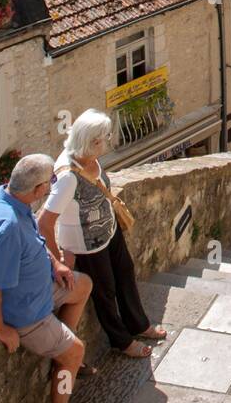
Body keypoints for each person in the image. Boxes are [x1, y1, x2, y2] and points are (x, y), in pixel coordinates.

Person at [0, 153, 96, 403]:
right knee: (75, 353)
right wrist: (0, 329)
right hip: (25, 313)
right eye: (51, 181)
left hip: (40, 288)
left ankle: (61, 351)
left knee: (83, 285)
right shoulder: (6, 227)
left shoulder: (8, 198)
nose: (52, 186)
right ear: (38, 189)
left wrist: (55, 264)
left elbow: (36, 238)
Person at [40, 109, 166, 359]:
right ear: (92, 141)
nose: (108, 141)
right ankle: (122, 341)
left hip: (109, 232)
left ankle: (139, 325)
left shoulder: (89, 158)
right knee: (105, 292)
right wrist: (58, 261)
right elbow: (44, 222)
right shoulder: (67, 176)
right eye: (104, 138)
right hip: (86, 246)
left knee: (126, 273)